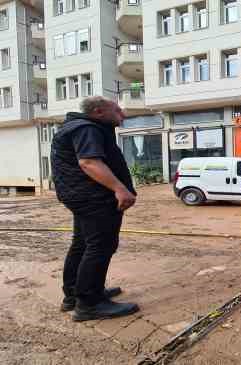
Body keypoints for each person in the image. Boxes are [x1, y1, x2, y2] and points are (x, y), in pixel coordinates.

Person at [51, 96, 139, 322]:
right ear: (99, 112)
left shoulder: (77, 127)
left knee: (82, 245)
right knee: (100, 246)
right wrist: (120, 189)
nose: (123, 115)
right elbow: (89, 162)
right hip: (94, 199)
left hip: (81, 197)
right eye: (117, 110)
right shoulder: (87, 128)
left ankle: (74, 295)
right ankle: (89, 304)